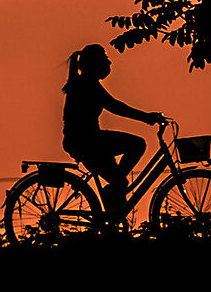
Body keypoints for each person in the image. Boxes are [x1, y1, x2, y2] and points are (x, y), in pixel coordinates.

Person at [62, 42, 159, 223]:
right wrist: (146, 117)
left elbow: (114, 106)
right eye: (104, 59)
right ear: (94, 64)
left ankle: (114, 205)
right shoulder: (86, 85)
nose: (109, 64)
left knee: (120, 182)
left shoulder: (86, 82)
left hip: (89, 140)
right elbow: (115, 107)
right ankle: (113, 192)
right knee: (137, 145)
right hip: (86, 142)